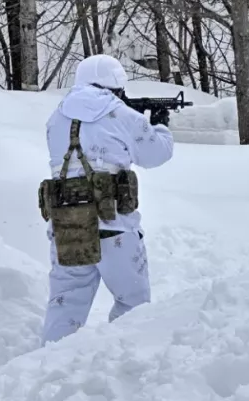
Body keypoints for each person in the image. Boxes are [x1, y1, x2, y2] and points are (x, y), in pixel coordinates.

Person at [41, 53, 173, 344]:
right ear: (116, 85)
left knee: (66, 304)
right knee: (133, 303)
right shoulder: (122, 114)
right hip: (115, 224)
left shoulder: (57, 117)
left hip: (68, 224)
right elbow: (156, 154)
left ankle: (46, 364)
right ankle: (122, 362)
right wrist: (160, 124)